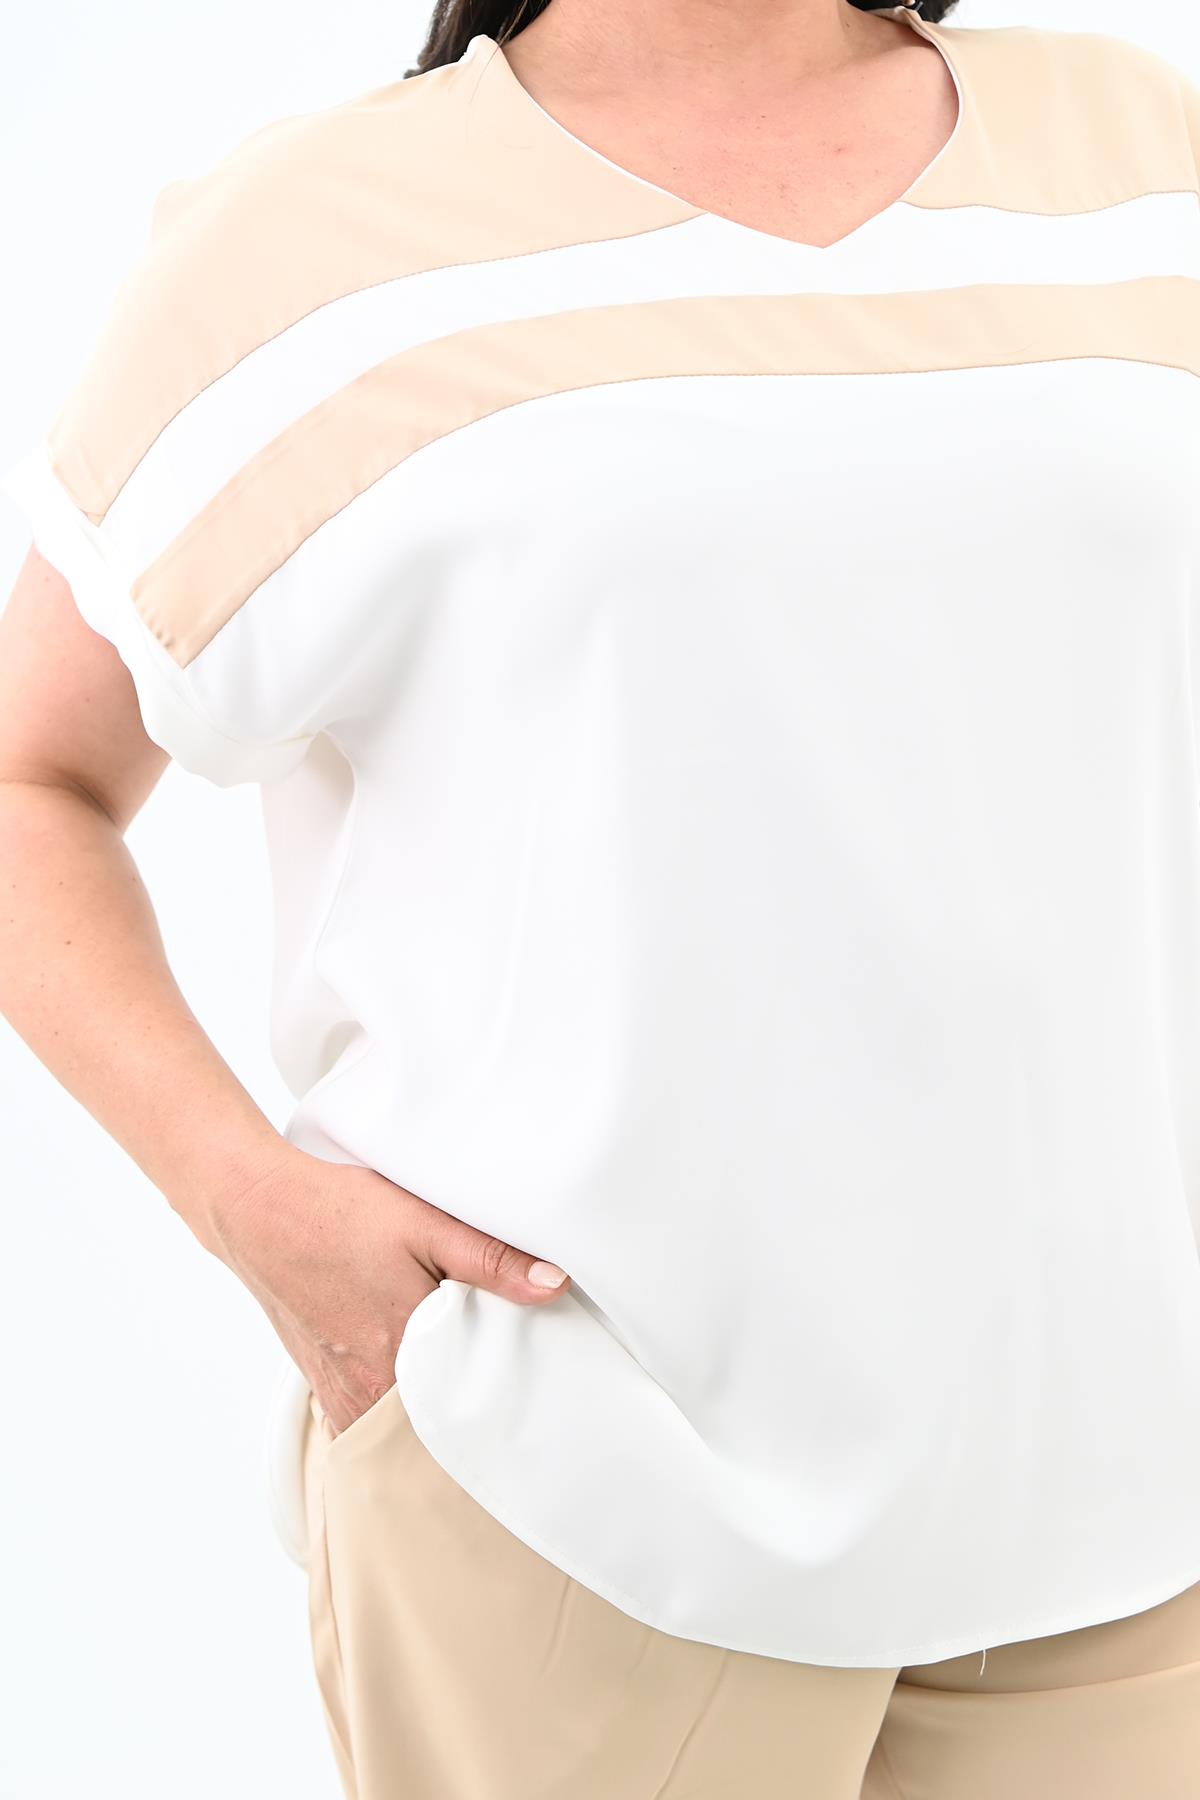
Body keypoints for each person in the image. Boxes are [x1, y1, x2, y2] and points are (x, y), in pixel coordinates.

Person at [3, 0, 1200, 1791]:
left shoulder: (1143, 157)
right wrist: (251, 1203)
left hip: (1134, 1510)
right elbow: (30, 782)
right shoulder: (315, 239)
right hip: (575, 1499)